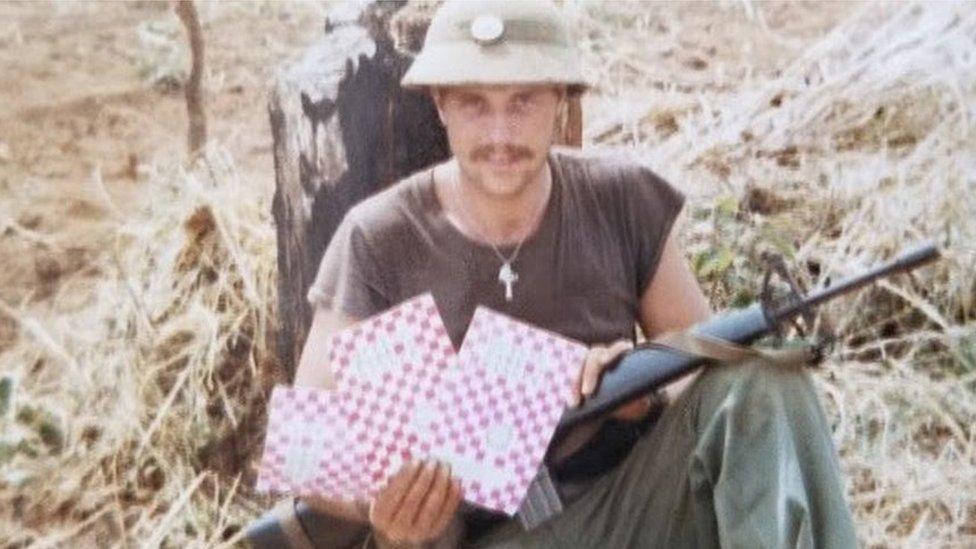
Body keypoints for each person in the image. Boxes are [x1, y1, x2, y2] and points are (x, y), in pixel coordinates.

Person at [291, 1, 858, 547]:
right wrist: (383, 505)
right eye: (473, 104)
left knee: (764, 382)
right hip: (488, 535)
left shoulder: (621, 197)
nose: (499, 135)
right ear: (439, 104)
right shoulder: (378, 237)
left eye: (523, 101)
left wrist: (642, 389)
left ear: (560, 100)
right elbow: (308, 450)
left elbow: (704, 372)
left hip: (630, 505)